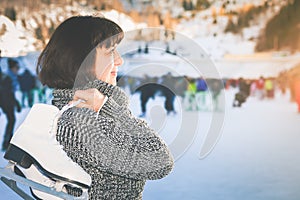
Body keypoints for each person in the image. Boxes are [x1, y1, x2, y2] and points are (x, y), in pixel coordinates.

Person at [36, 15, 174, 199]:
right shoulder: (81, 120)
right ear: (80, 60)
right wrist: (109, 108)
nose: (120, 60)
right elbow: (160, 162)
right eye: (110, 51)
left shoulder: (82, 111)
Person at [0, 67, 21, 151]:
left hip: (6, 102)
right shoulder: (6, 78)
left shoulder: (6, 77)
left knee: (11, 120)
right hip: (7, 103)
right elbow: (8, 93)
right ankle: (6, 142)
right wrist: (16, 104)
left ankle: (7, 141)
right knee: (11, 120)